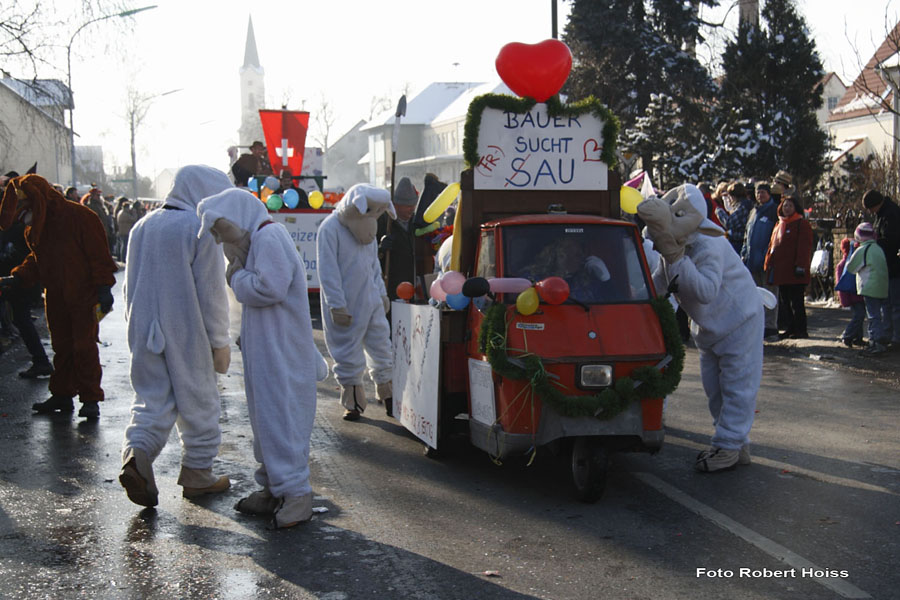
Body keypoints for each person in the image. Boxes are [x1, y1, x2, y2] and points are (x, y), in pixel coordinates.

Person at [197, 187, 323, 528]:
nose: (222, 242)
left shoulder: (268, 237)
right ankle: (273, 487)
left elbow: (270, 288)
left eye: (223, 231)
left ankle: (296, 494)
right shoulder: (259, 240)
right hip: (269, 350)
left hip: (281, 352)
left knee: (282, 419)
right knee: (266, 419)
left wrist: (236, 276)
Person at [117, 165, 233, 508]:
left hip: (144, 326)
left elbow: (128, 284)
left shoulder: (142, 225)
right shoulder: (199, 228)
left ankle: (137, 453)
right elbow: (211, 292)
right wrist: (219, 341)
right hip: (187, 328)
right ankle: (198, 472)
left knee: (151, 397)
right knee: (199, 397)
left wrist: (134, 323)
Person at [638, 184, 763, 472]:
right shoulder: (675, 247)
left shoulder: (708, 243)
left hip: (739, 321)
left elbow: (705, 290)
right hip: (710, 328)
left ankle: (729, 445)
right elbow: (660, 284)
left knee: (737, 388)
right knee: (714, 389)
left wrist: (677, 257)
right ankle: (734, 443)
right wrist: (638, 302)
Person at [0, 174, 117, 419]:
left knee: (84, 346)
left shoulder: (80, 217)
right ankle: (63, 394)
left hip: (83, 294)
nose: (23, 209)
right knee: (61, 346)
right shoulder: (38, 225)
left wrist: (104, 287)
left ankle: (90, 398)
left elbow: (99, 254)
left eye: (26, 202)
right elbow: (38, 259)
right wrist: (19, 277)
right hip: (55, 295)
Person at [317, 184, 394, 420]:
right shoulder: (330, 228)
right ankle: (352, 400)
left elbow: (373, 266)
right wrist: (336, 304)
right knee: (347, 349)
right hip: (347, 303)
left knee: (381, 345)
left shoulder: (367, 229)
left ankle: (389, 393)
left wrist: (381, 293)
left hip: (371, 300)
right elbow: (328, 270)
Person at [0, 218, 53, 377]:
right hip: (16, 280)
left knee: (21, 319)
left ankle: (41, 361)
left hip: (17, 281)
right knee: (21, 319)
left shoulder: (19, 229)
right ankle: (41, 361)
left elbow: (32, 256)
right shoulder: (17, 227)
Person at [763, 193, 813, 339]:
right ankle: (790, 328)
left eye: (790, 206)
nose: (787, 208)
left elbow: (804, 247)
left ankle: (801, 330)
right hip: (781, 270)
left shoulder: (801, 224)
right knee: (785, 302)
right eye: (785, 206)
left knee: (796, 302)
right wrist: (768, 263)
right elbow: (772, 246)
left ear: (795, 208)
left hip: (795, 270)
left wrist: (800, 266)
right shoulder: (779, 224)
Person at [862, 190, 900, 350]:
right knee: (889, 303)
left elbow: (891, 241)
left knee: (894, 304)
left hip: (893, 265)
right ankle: (889, 335)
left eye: (870, 208)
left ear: (876, 204)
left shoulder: (890, 215)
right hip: (887, 265)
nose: (871, 212)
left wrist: (873, 244)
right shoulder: (884, 213)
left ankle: (895, 337)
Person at [741, 182, 779, 339]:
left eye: (763, 192)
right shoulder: (753, 211)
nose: (760, 195)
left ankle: (770, 325)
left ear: (769, 194)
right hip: (752, 260)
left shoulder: (774, 211)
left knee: (769, 293)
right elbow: (747, 235)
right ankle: (759, 323)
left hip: (766, 260)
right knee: (756, 294)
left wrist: (767, 255)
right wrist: (744, 253)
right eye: (758, 192)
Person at [846, 222, 890, 354]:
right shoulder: (878, 249)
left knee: (873, 316)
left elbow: (851, 268)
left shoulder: (863, 250)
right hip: (882, 286)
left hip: (869, 287)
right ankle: (881, 339)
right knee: (880, 315)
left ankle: (876, 342)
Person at [377, 176, 418, 300]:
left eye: (413, 205)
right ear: (396, 205)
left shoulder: (416, 222)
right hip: (391, 285)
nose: (411, 209)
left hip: (413, 285)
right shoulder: (383, 222)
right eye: (407, 206)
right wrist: (381, 249)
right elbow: (369, 255)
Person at [835, 237, 866, 347]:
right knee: (859, 316)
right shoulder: (844, 264)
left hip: (856, 295)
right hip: (854, 296)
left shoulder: (844, 264)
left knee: (859, 316)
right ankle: (847, 335)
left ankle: (857, 337)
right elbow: (841, 283)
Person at [718, 181, 753, 255]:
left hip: (739, 242)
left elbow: (729, 223)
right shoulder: (748, 203)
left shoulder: (742, 207)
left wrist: (719, 212)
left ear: (733, 196)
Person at [115, 198, 138, 262]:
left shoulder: (120, 212)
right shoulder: (125, 214)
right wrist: (134, 212)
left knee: (122, 245)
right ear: (126, 207)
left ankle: (121, 258)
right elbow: (134, 219)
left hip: (121, 231)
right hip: (125, 231)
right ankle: (123, 259)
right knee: (124, 246)